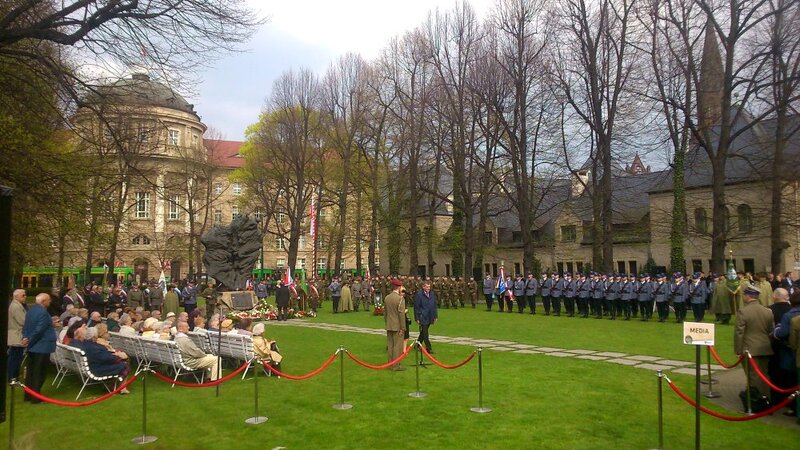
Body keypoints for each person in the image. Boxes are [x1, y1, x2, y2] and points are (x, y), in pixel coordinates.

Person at [734, 285, 774, 397]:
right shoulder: (768, 311)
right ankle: (767, 399)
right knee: (764, 375)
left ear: (747, 296)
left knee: (753, 376)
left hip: (750, 348)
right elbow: (771, 331)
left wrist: (738, 350)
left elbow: (739, 333)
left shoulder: (743, 312)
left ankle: (756, 401)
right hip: (765, 347)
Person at [21, 293, 58, 402]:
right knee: (39, 372)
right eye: (48, 300)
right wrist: (29, 340)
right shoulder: (43, 312)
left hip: (33, 346)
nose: (50, 302)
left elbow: (27, 327)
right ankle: (36, 397)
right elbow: (39, 330)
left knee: (31, 372)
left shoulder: (31, 311)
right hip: (41, 346)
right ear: (43, 301)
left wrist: (26, 338)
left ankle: (28, 395)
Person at [384, 279, 406, 371]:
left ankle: (390, 363)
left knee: (390, 345)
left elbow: (385, 313)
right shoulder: (400, 299)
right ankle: (396, 365)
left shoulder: (387, 298)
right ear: (399, 287)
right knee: (397, 346)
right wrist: (403, 327)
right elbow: (401, 314)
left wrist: (387, 322)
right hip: (397, 325)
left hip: (389, 324)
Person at [414, 280, 438, 355]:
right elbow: (416, 307)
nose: (428, 288)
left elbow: (434, 306)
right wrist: (417, 318)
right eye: (427, 287)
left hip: (430, 316)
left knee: (423, 332)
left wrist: (435, 316)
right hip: (423, 317)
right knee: (425, 334)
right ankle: (429, 348)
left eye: (429, 287)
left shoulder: (432, 294)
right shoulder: (419, 295)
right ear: (423, 287)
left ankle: (417, 345)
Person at [7, 289, 27, 380]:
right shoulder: (16, 306)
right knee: (15, 357)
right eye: (23, 295)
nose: (25, 296)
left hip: (15, 335)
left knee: (15, 357)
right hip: (16, 335)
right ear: (16, 296)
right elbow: (22, 321)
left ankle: (13, 376)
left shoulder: (16, 305)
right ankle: (12, 377)